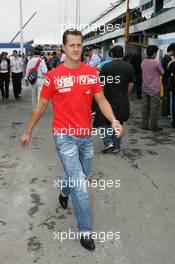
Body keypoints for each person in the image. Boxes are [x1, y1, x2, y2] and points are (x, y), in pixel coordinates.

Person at [21, 29, 123, 251]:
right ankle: (85, 231)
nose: (76, 49)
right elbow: (41, 106)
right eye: (72, 45)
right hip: (64, 137)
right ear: (63, 48)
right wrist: (28, 130)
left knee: (81, 176)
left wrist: (114, 119)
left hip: (85, 138)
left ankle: (63, 191)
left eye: (79, 45)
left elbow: (102, 99)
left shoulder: (91, 74)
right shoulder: (54, 76)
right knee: (81, 186)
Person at [94, 45, 134, 153]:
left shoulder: (106, 67)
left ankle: (108, 142)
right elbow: (131, 85)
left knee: (103, 122)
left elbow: (101, 84)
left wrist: (100, 98)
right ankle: (116, 147)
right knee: (118, 122)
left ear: (111, 54)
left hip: (107, 100)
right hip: (122, 100)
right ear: (123, 54)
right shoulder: (129, 67)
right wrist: (125, 94)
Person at [141, 45, 164, 131]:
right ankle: (154, 126)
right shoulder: (156, 63)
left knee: (145, 106)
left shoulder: (143, 62)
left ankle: (144, 125)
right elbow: (162, 72)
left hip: (145, 87)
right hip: (154, 88)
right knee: (154, 108)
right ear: (154, 53)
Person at [25, 46, 47, 110]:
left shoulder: (30, 61)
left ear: (33, 54)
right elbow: (45, 71)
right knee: (40, 95)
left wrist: (26, 80)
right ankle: (39, 109)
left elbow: (27, 71)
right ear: (40, 54)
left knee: (33, 95)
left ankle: (34, 108)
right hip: (40, 79)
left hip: (32, 79)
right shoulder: (41, 61)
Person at [162, 43, 175, 117]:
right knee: (168, 98)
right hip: (168, 80)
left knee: (167, 97)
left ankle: (167, 112)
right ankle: (166, 113)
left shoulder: (166, 57)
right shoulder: (168, 59)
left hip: (166, 79)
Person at [167, 47, 175, 128]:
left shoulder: (170, 63)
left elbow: (168, 74)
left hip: (173, 87)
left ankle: (173, 121)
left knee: (173, 103)